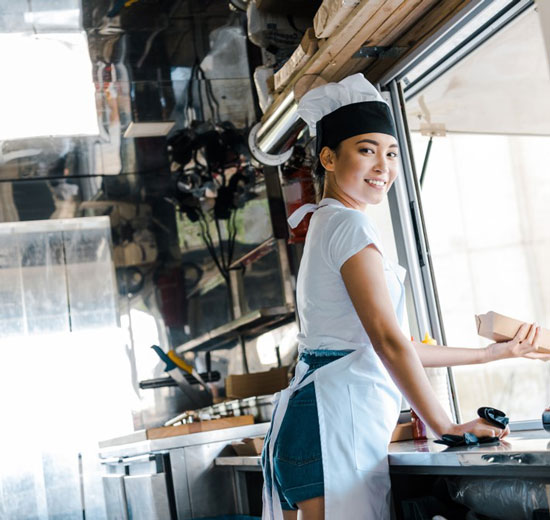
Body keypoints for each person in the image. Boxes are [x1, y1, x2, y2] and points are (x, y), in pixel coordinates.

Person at [261, 73, 548, 520]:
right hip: (330, 428)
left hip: (316, 424)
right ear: (328, 158)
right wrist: (446, 426)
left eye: (391, 153)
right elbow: (387, 342)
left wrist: (490, 354)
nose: (384, 166)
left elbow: (390, 346)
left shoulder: (329, 221)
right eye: (366, 150)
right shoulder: (348, 225)